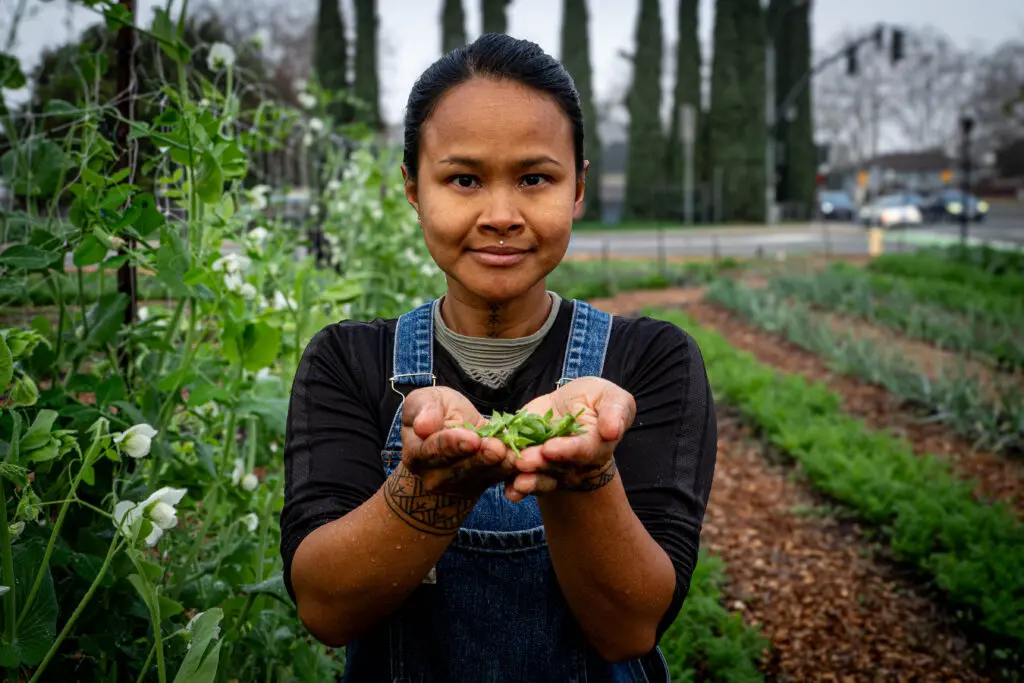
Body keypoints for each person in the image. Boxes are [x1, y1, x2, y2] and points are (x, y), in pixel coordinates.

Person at [280, 32, 717, 683]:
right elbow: (325, 605)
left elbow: (628, 626)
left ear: (577, 189)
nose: (502, 214)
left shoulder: (651, 360)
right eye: (463, 179)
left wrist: (586, 472)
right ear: (411, 187)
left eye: (535, 178)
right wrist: (426, 486)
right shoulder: (349, 362)